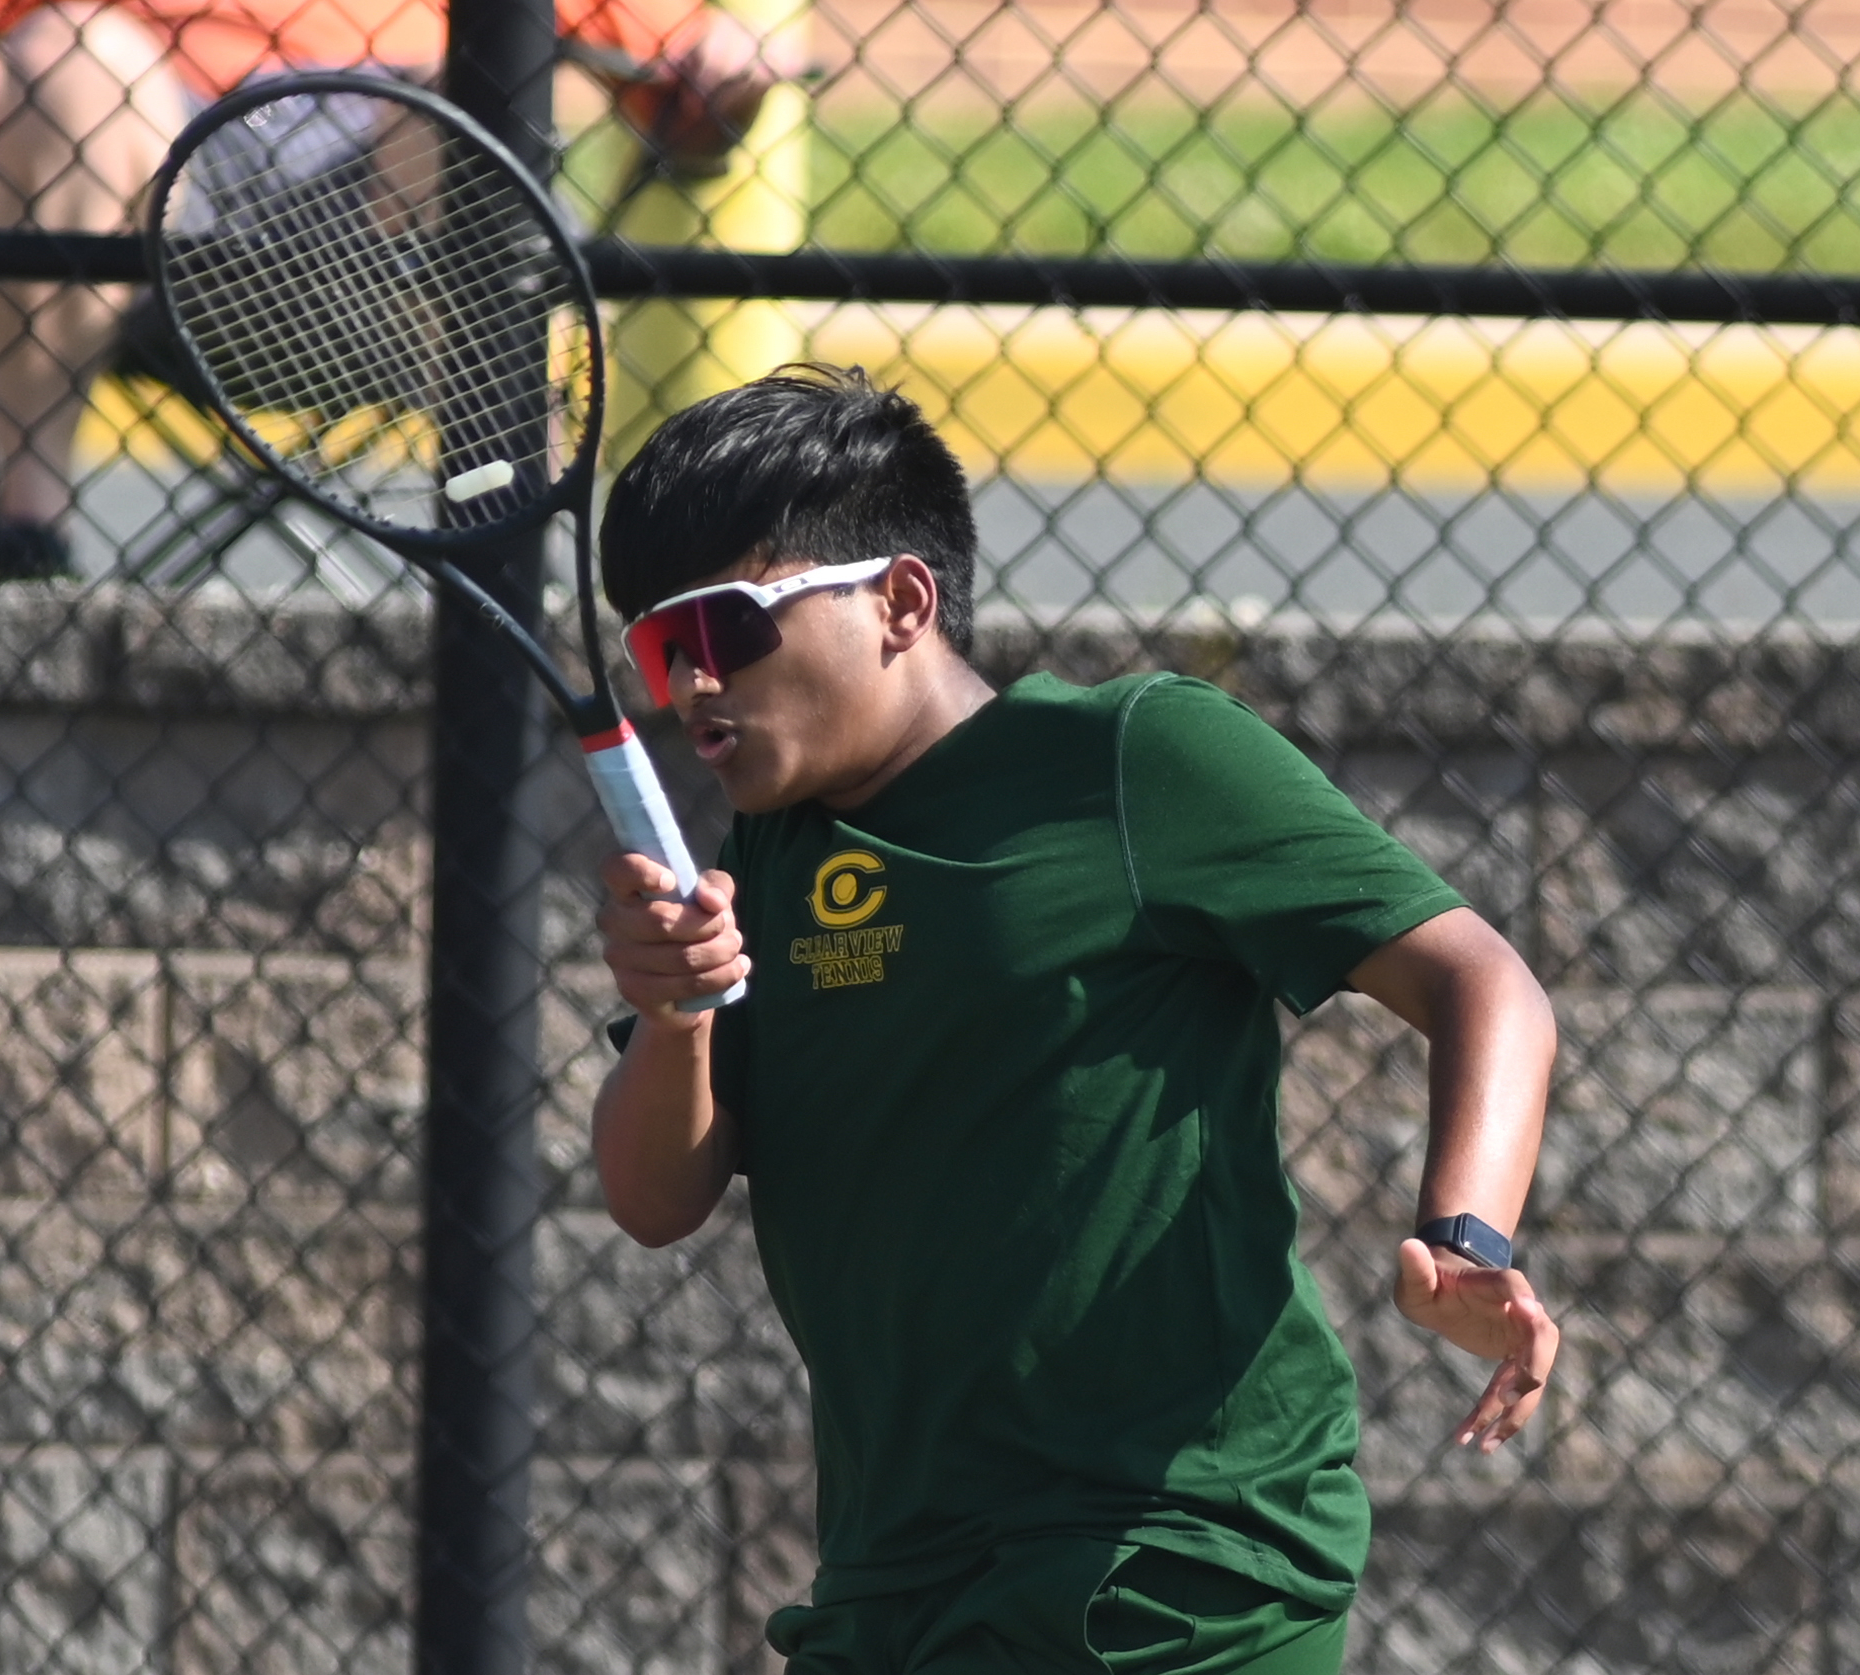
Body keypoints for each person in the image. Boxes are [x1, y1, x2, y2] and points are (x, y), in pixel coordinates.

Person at [590, 365, 1561, 1675]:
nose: (685, 683)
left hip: (1178, 1554)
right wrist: (676, 1011)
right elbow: (656, 1196)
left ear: (898, 601)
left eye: (721, 626)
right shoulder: (760, 859)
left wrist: (1462, 1234)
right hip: (895, 1570)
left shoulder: (1136, 758)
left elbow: (1479, 979)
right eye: (656, 648)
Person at [0, 0, 796, 578]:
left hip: (385, 232)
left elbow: (692, 69)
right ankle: (25, 546)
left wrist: (731, 58)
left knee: (470, 93)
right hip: (154, 222)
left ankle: (506, 552)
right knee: (70, 58)